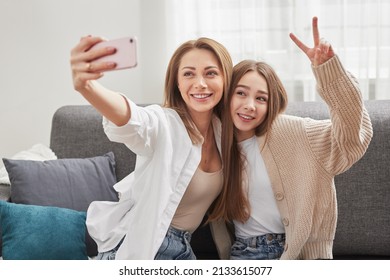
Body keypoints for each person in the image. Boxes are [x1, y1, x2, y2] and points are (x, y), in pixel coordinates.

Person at [209, 17, 373, 260]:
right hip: (245, 254)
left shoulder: (294, 133)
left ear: (271, 104)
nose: (249, 106)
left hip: (299, 254)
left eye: (261, 98)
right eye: (241, 93)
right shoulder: (213, 138)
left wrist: (330, 73)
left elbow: (353, 140)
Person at [70, 36, 233, 259]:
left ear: (226, 79)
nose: (200, 83)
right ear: (177, 82)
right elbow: (132, 119)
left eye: (210, 73)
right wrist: (87, 86)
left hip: (183, 249)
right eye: (188, 73)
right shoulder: (164, 123)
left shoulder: (226, 133)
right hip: (144, 246)